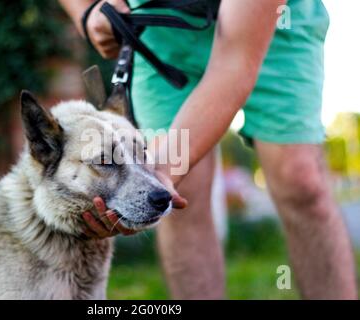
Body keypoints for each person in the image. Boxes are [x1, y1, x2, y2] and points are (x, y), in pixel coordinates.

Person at [58, 0, 358, 299]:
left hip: (274, 26)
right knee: (185, 194)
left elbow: (233, 65)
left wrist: (161, 172)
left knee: (300, 179)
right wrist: (86, 10)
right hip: (159, 31)